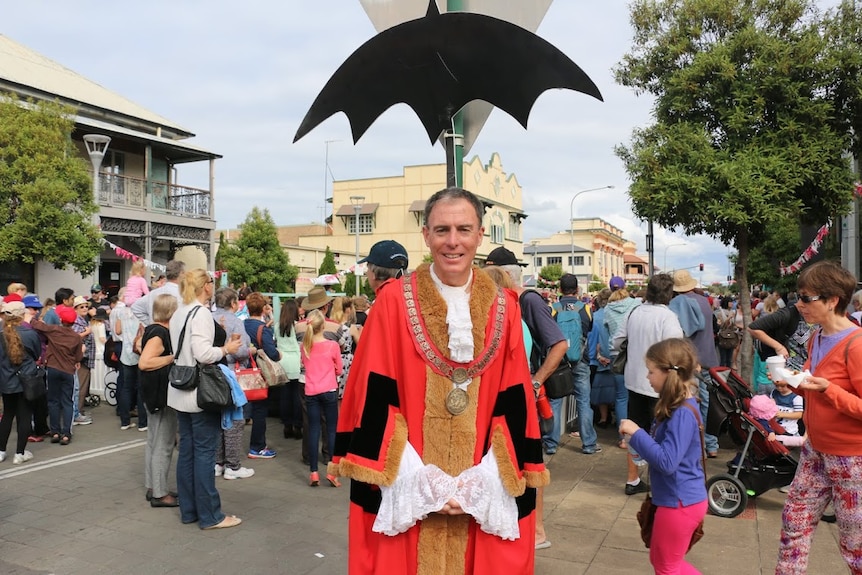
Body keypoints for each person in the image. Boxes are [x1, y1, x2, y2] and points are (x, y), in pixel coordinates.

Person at [331, 187, 548, 574]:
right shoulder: (392, 304)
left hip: (481, 478)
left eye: (464, 229)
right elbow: (373, 396)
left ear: (480, 235)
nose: (453, 241)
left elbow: (514, 402)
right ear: (426, 235)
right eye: (442, 229)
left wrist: (475, 487)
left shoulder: (505, 308)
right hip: (407, 479)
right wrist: (427, 485)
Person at [776, 261, 862, 573]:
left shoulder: (856, 344)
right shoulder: (817, 338)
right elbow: (819, 392)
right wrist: (796, 385)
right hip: (816, 450)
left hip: (851, 458)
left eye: (806, 298)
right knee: (794, 522)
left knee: (855, 545)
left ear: (832, 300)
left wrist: (827, 390)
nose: (799, 305)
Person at [619, 338, 707, 575]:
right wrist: (637, 441)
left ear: (668, 373)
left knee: (667, 567)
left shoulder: (682, 413)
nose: (647, 377)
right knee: (662, 562)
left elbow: (667, 462)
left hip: (680, 502)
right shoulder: (677, 406)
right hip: (675, 499)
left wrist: (637, 433)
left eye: (651, 371)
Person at [168, 269, 243, 530]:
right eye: (211, 281)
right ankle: (211, 516)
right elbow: (202, 353)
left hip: (180, 392)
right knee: (203, 454)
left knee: (187, 452)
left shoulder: (180, 312)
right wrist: (226, 349)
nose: (213, 285)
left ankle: (189, 511)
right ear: (205, 286)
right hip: (200, 393)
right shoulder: (199, 313)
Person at [612, 273, 683, 496]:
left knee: (635, 432)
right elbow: (675, 351)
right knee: (660, 435)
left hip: (633, 380)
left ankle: (632, 479)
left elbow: (616, 341)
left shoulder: (634, 312)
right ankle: (656, 483)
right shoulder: (667, 317)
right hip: (659, 384)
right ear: (669, 293)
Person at [669, 269, 719, 457]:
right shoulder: (704, 300)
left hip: (691, 361)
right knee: (706, 403)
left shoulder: (678, 303)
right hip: (709, 358)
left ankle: (698, 447)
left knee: (691, 404)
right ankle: (711, 444)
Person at [138, 294, 179, 507]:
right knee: (163, 443)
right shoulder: (160, 333)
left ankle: (153, 485)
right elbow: (145, 362)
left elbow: (139, 349)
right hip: (160, 395)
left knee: (154, 441)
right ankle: (160, 493)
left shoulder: (152, 329)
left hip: (152, 393)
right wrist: (172, 357)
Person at [211, 287, 255, 480]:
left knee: (216, 420)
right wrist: (251, 350)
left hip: (210, 374)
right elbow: (240, 351)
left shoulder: (208, 318)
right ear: (233, 303)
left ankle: (217, 462)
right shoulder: (236, 322)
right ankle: (233, 465)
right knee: (234, 420)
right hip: (230, 374)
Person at [552, 272, 598, 454]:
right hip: (581, 360)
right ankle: (588, 444)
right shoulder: (585, 309)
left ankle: (550, 443)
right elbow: (590, 329)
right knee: (584, 402)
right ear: (577, 289)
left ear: (560, 289)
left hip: (559, 360)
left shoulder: (553, 308)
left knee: (555, 401)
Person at [300, 309, 343, 487]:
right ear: (323, 326)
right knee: (332, 430)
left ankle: (313, 472)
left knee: (313, 430)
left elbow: (304, 364)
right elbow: (339, 369)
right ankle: (332, 473)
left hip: (311, 391)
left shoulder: (305, 346)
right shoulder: (332, 345)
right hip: (329, 389)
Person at [30, 304, 83, 445]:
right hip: (68, 371)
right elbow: (78, 357)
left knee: (53, 401)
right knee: (67, 402)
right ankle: (66, 433)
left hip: (53, 369)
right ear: (74, 321)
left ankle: (55, 432)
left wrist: (32, 316)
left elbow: (36, 325)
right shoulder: (76, 337)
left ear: (60, 319)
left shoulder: (54, 330)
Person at [0, 301, 41, 464]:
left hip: (6, 380)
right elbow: (37, 354)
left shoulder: (1, 334)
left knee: (7, 415)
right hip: (27, 379)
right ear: (21, 315)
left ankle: (1, 451)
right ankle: (19, 453)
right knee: (24, 416)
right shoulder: (30, 334)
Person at [243, 292, 280, 460]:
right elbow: (272, 353)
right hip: (259, 374)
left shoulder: (241, 325)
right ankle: (257, 446)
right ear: (263, 309)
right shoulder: (262, 329)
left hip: (242, 372)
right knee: (259, 411)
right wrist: (279, 355)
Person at [602, 287, 638, 449]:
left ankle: (624, 438)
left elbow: (606, 330)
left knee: (621, 397)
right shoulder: (635, 305)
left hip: (615, 354)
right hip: (633, 353)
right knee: (637, 395)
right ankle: (638, 434)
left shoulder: (608, 309)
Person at [275, 298, 302, 440]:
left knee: (284, 397)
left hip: (282, 362)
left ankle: (287, 425)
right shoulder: (297, 326)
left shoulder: (277, 326)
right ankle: (298, 426)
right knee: (297, 397)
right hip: (296, 362)